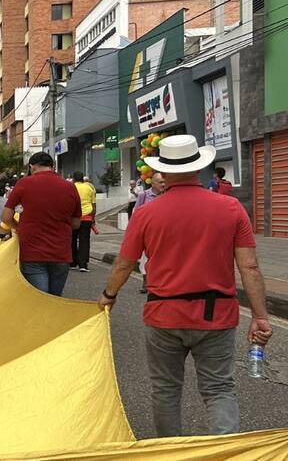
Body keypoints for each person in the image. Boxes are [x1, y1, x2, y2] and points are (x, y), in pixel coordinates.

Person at [98, 135, 272, 437]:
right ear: (199, 167)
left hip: (163, 314)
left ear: (162, 172)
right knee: (218, 389)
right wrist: (260, 316)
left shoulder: (147, 213)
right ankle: (224, 456)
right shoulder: (230, 208)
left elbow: (125, 264)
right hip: (216, 315)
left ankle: (170, 453)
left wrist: (108, 295)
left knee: (165, 390)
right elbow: (250, 267)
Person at [1, 152, 81, 296]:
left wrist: (19, 227)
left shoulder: (24, 183)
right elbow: (76, 223)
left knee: (39, 299)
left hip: (32, 251)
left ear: (32, 167)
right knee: (55, 298)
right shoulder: (69, 187)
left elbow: (6, 217)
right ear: (52, 166)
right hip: (60, 252)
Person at [72, 171, 97, 272]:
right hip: (87, 217)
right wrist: (93, 218)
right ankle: (83, 264)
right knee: (84, 241)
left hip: (73, 218)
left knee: (72, 240)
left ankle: (72, 262)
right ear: (82, 178)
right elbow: (94, 205)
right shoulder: (89, 188)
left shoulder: (71, 187)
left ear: (73, 179)